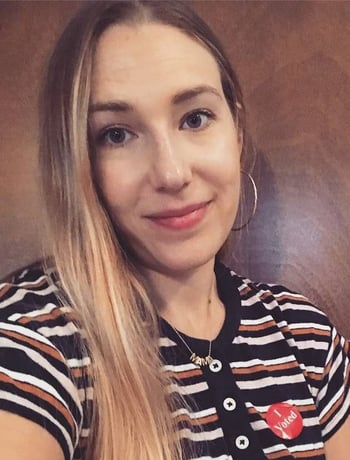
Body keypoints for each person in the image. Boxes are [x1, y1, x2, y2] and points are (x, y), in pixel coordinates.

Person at [0, 1, 349, 459]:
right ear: (76, 161)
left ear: (237, 132)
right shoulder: (35, 338)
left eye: (195, 118)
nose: (171, 172)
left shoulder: (306, 336)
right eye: (116, 134)